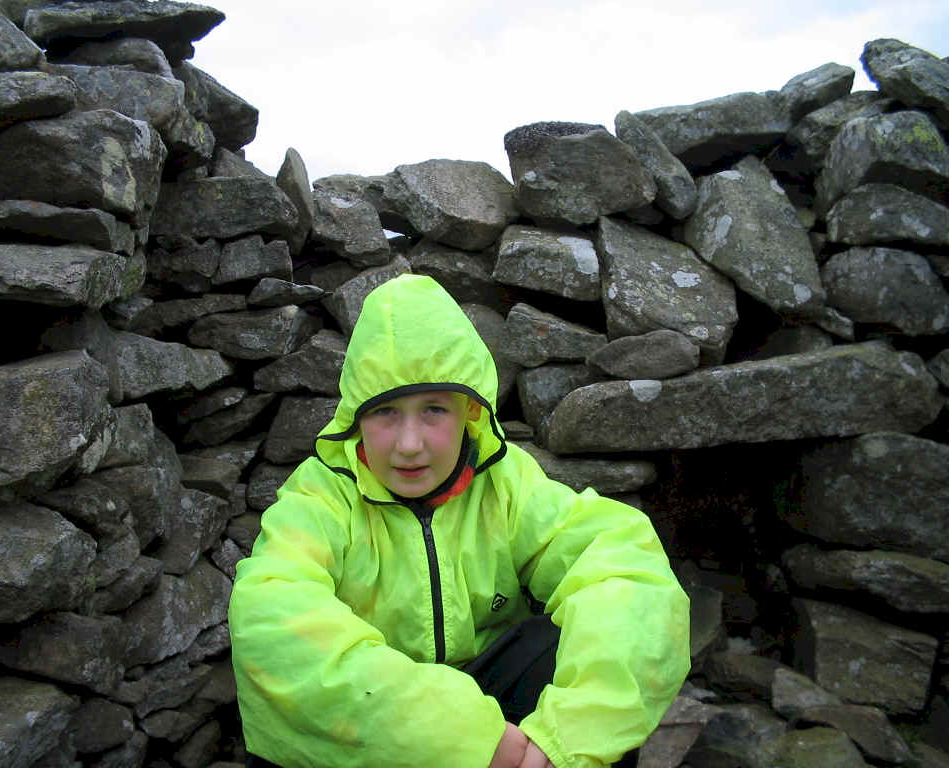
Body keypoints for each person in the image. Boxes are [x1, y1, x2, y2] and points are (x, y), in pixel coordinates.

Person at [229, 273, 690, 768]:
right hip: (383, 730)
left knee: (558, 649)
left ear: (469, 411)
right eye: (385, 412)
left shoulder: (506, 483)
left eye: (433, 409)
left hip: (495, 715)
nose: (409, 444)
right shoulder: (320, 498)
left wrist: (566, 741)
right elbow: (271, 615)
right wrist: (470, 743)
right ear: (355, 419)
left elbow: (624, 570)